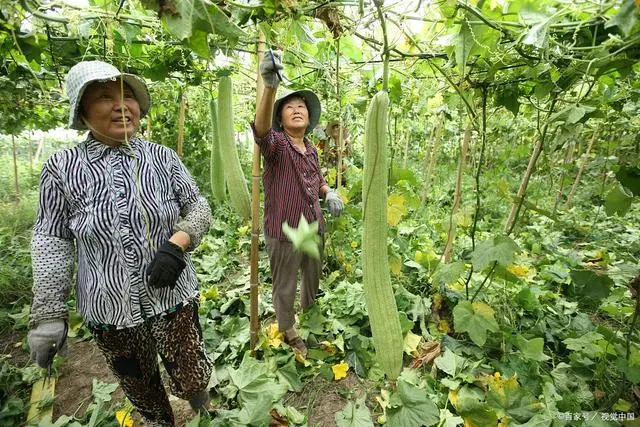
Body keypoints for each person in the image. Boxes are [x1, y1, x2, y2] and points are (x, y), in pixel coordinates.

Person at [27, 60, 212, 426]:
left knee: (190, 366)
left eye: (128, 97)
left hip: (174, 294)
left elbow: (198, 205)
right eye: (105, 97)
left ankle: (201, 405)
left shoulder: (162, 158)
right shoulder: (62, 168)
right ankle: (161, 421)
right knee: (139, 381)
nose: (121, 106)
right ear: (81, 110)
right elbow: (51, 238)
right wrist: (48, 315)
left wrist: (180, 241)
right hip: (109, 307)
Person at [253, 51, 344, 357]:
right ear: (281, 118)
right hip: (285, 229)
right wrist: (269, 88)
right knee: (285, 283)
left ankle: (310, 315)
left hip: (313, 224)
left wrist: (328, 193)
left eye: (301, 107)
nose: (296, 110)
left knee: (312, 274)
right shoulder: (276, 145)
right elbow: (261, 131)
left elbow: (317, 181)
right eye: (289, 107)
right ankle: (289, 329)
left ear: (308, 117)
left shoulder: (311, 150)